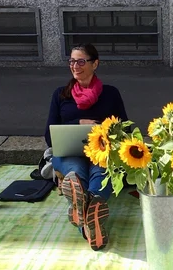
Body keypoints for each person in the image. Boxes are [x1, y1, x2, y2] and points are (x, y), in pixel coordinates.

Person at [45, 44, 128, 251]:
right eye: (72, 61)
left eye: (81, 61)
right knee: (76, 172)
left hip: (102, 150)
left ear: (95, 64)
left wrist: (105, 131)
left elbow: (125, 127)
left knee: (101, 171)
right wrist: (78, 124)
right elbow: (49, 136)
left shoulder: (110, 94)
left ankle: (86, 216)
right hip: (70, 150)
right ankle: (92, 213)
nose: (75, 66)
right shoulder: (60, 95)